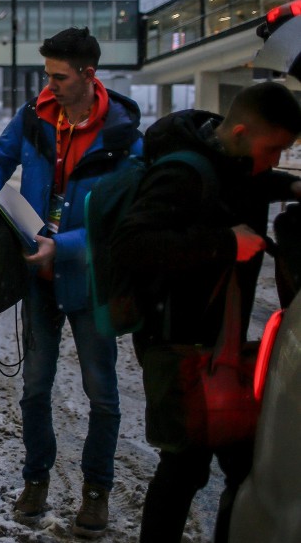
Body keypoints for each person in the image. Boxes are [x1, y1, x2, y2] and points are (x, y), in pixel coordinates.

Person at [111, 82, 301, 543]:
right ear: (239, 130)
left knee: (230, 465)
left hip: (214, 345)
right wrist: (225, 243)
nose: (275, 159)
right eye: (273, 149)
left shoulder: (226, 156)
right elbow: (131, 244)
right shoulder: (181, 173)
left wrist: (291, 184)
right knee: (185, 468)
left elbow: (240, 180)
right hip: (179, 345)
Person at [0, 27, 143, 538]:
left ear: (89, 75)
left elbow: (122, 224)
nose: (49, 85)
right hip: (38, 278)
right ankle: (36, 482)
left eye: (59, 76)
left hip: (90, 282)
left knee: (102, 393)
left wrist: (62, 246)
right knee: (34, 390)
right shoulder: (34, 115)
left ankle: (96, 492)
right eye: (46, 75)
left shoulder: (124, 137)